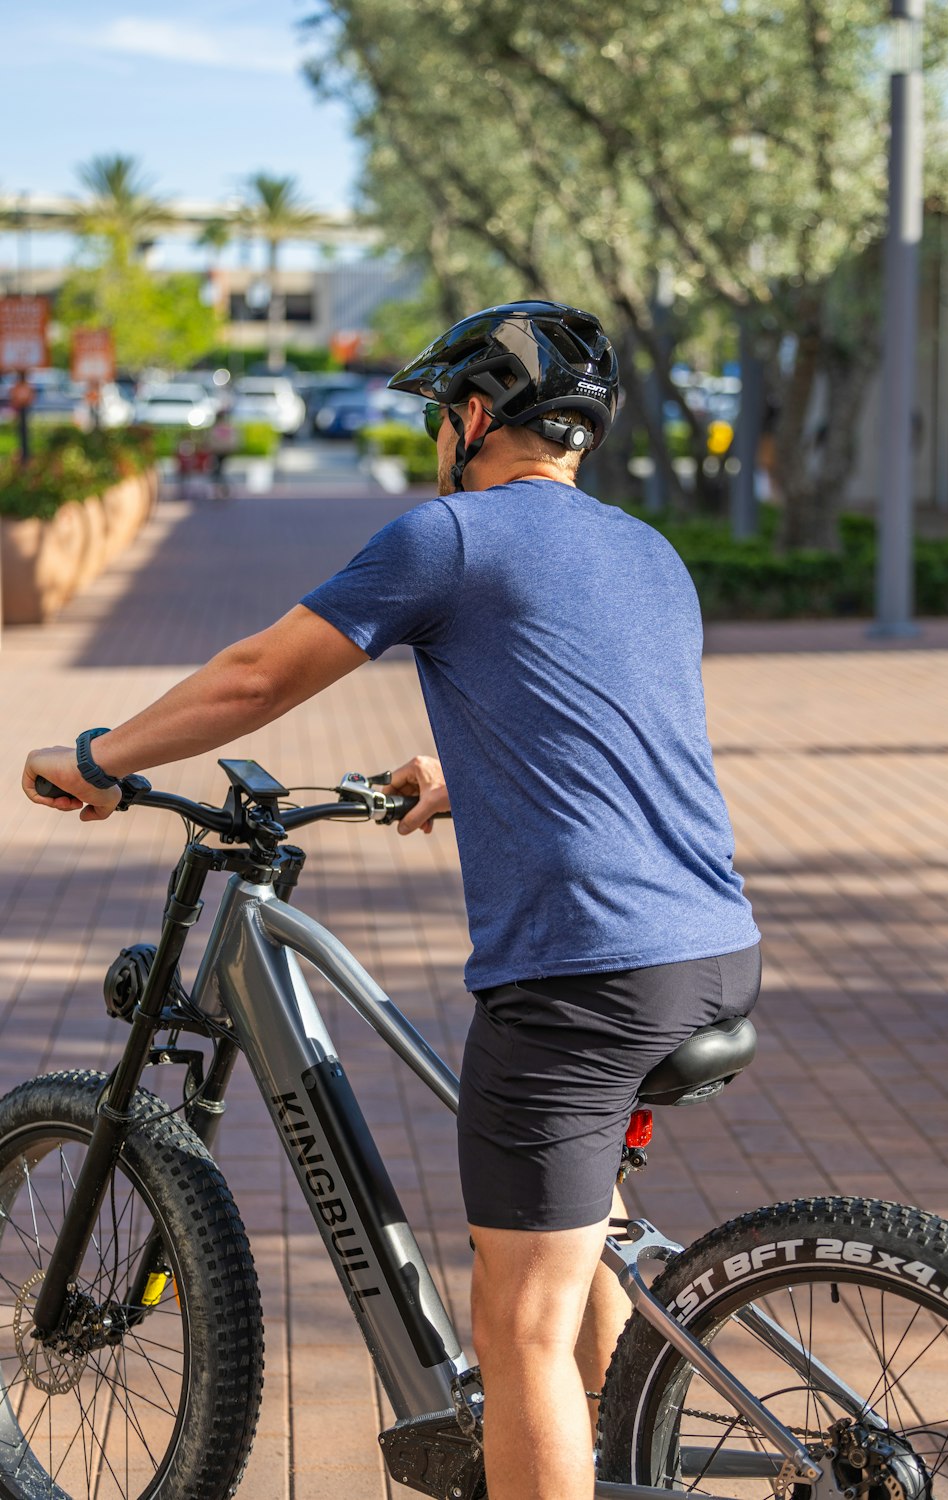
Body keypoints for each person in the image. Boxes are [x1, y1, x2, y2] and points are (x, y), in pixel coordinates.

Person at [23, 301, 760, 1500]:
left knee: (513, 1326)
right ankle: (627, 1458)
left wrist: (102, 759)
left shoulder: (450, 537)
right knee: (571, 1254)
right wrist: (460, 775)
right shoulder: (647, 551)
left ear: (474, 417)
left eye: (440, 413)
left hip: (582, 976)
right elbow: (617, 739)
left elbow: (261, 674)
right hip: (710, 947)